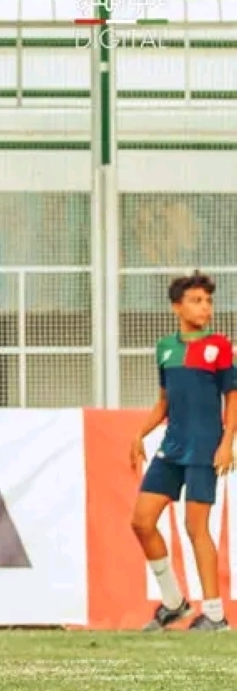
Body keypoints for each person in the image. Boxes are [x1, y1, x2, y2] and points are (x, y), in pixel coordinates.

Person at [130, 271, 233, 632]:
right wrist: (139, 434)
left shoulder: (219, 346)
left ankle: (216, 616)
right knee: (141, 520)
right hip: (171, 448)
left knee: (196, 528)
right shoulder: (165, 348)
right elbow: (164, 402)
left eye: (208, 300)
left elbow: (232, 397)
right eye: (196, 300)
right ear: (177, 307)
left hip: (205, 449)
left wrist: (227, 443)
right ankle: (173, 602)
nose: (205, 307)